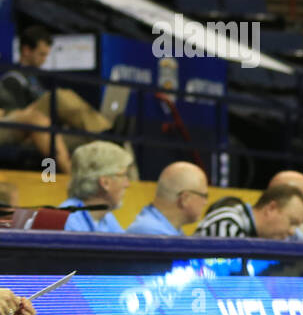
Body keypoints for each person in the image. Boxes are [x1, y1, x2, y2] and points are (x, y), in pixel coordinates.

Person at [0, 26, 112, 159]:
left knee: (87, 140)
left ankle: (108, 140)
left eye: (46, 55)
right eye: (41, 54)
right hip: (28, 128)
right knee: (58, 96)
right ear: (26, 50)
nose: (45, 59)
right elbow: (13, 115)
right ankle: (106, 132)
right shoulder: (13, 78)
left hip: (49, 129)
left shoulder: (36, 79)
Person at [58, 140, 134, 232]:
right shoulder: (67, 219)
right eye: (123, 176)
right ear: (105, 183)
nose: (127, 184)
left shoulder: (106, 217)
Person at [194, 184, 303, 239]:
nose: (292, 231)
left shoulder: (261, 236)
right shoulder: (227, 222)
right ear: (271, 208)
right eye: (292, 222)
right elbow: (230, 280)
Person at [126, 161, 210, 234]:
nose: (205, 202)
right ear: (185, 199)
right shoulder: (151, 233)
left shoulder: (167, 230)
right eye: (204, 196)